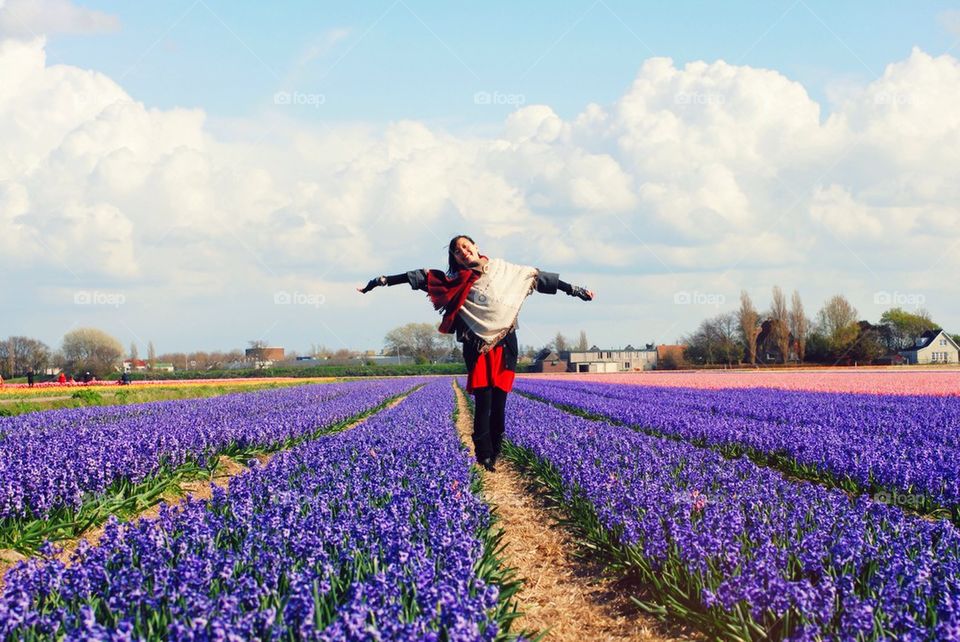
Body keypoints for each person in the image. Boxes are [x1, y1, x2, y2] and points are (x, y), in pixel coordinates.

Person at [359, 235, 593, 472]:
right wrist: (381, 281)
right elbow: (420, 276)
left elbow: (537, 277)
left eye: (464, 246)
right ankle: (484, 455)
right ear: (455, 258)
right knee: (483, 402)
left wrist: (575, 290)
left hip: (505, 343)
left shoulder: (504, 270)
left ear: (475, 247)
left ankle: (496, 449)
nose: (462, 251)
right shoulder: (454, 280)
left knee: (499, 403)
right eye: (456, 251)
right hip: (476, 345)